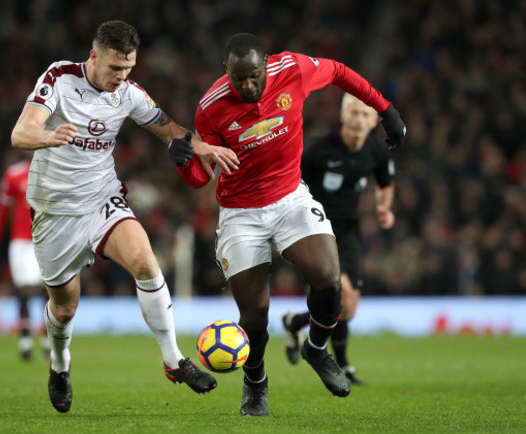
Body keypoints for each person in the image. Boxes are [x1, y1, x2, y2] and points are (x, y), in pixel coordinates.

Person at [169, 33, 405, 416]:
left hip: (289, 196)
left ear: (266, 64)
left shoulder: (293, 69)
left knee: (329, 279)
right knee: (254, 316)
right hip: (240, 212)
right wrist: (183, 159)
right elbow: (200, 177)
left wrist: (386, 110)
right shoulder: (210, 109)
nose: (247, 86)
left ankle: (315, 347)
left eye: (254, 76)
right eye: (238, 79)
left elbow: (340, 72)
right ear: (225, 73)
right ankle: (256, 384)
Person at [10, 20, 239, 413]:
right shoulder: (59, 78)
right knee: (64, 308)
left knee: (146, 263)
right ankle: (60, 364)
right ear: (94, 56)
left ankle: (173, 361)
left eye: (129, 68)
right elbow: (21, 133)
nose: (122, 77)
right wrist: (50, 136)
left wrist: (201, 148)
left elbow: (168, 129)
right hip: (55, 211)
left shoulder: (129, 94)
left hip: (102, 197)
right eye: (116, 68)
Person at [282, 92, 397, 386]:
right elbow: (292, 180)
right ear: (343, 116)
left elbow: (386, 183)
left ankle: (296, 323)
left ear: (374, 122)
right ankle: (342, 365)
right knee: (341, 294)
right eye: (354, 113)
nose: (359, 119)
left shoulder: (376, 152)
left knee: (350, 305)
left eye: (365, 115)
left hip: (348, 230)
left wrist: (384, 207)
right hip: (316, 229)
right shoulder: (320, 149)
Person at [0, 153, 51, 361]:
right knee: (24, 289)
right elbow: (2, 210)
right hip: (21, 243)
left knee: (47, 289)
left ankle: (46, 339)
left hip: (46, 239)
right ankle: (25, 340)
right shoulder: (13, 174)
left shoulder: (53, 170)